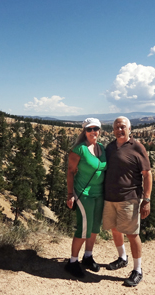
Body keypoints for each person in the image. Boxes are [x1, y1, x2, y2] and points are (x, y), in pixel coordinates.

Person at [103, 116, 152, 287]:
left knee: (132, 234)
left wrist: (146, 199)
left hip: (129, 198)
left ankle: (138, 270)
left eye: (123, 126)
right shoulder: (109, 148)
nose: (119, 129)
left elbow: (147, 174)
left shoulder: (137, 147)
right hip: (110, 198)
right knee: (115, 230)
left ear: (129, 129)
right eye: (116, 126)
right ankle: (122, 258)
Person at [65, 117, 107, 278]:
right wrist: (70, 195)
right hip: (84, 193)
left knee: (95, 227)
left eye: (95, 128)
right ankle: (72, 262)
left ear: (99, 131)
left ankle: (87, 256)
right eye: (89, 129)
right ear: (84, 131)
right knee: (84, 228)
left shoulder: (101, 148)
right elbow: (70, 172)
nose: (92, 132)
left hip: (99, 194)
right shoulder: (79, 149)